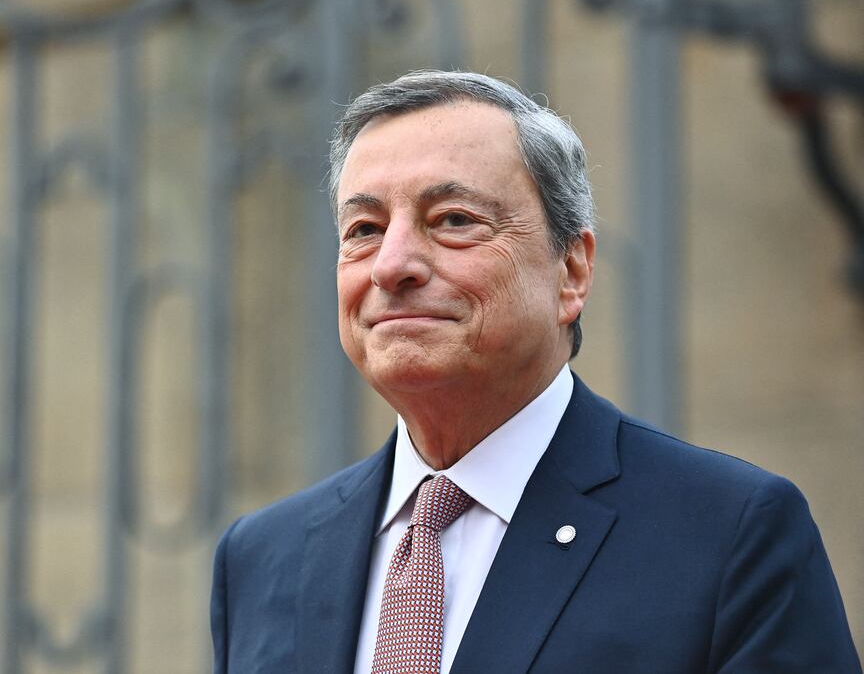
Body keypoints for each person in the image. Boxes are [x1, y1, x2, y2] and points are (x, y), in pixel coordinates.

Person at [209, 70, 861, 673]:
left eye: (452, 221)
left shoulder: (728, 533)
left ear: (571, 271)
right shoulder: (263, 556)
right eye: (364, 228)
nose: (392, 264)